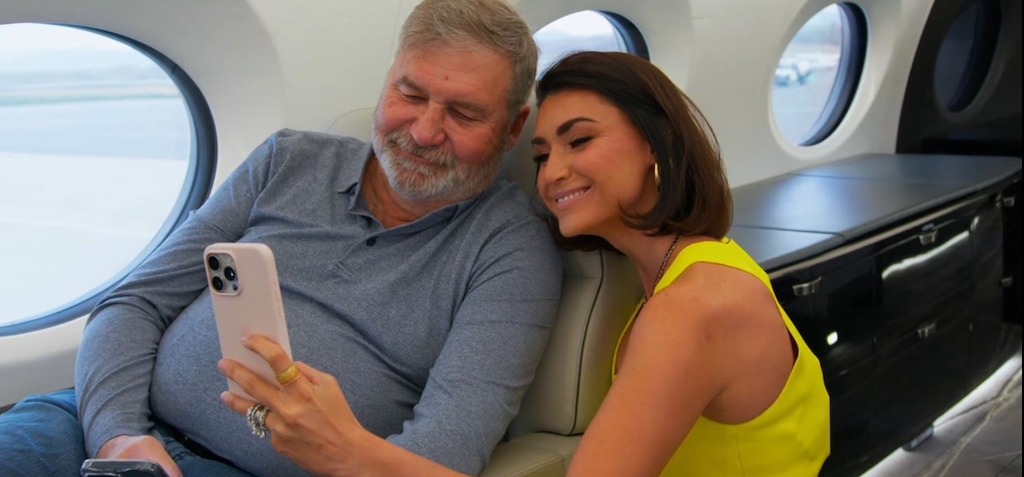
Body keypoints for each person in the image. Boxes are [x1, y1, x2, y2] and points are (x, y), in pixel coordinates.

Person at [0, 1, 563, 476]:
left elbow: (445, 453)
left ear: (513, 128)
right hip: (102, 427)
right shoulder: (288, 160)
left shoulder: (511, 253)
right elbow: (134, 302)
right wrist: (119, 437)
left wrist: (335, 447)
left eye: (463, 113)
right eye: (410, 95)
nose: (423, 131)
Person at [529, 51, 830, 476]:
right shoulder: (698, 265)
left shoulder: (689, 309)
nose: (551, 173)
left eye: (579, 141)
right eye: (541, 155)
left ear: (658, 142)